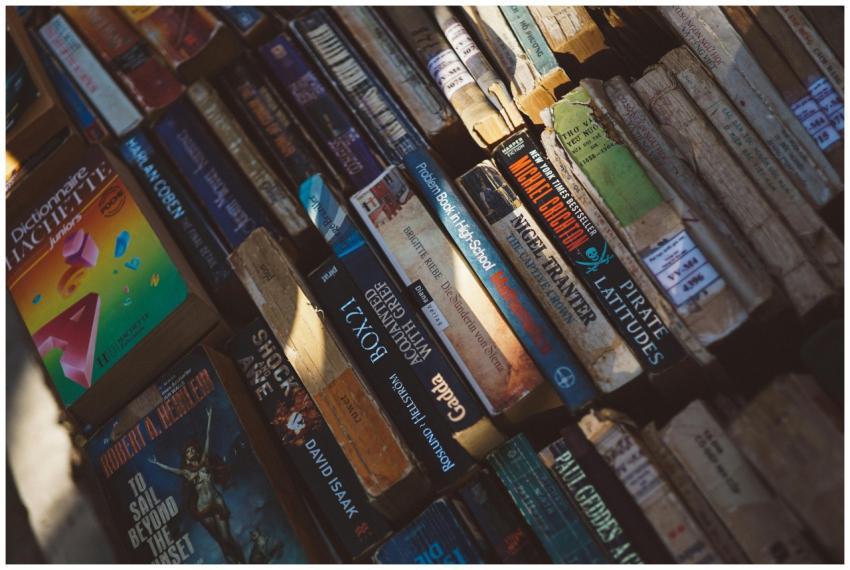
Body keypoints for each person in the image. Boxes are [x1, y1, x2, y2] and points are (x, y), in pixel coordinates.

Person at [148, 408, 245, 563]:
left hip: (216, 501)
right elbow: (173, 470)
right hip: (202, 507)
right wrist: (157, 463)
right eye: (188, 451)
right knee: (221, 542)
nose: (191, 452)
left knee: (227, 538)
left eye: (193, 450)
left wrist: (209, 418)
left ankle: (242, 561)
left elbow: (207, 438)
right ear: (186, 457)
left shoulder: (204, 460)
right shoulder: (187, 472)